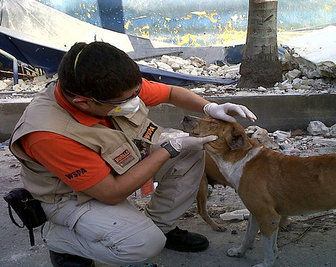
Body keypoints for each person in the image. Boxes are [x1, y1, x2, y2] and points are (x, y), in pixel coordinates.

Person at [9, 41, 257, 266]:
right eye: (125, 100)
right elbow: (111, 193)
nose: (134, 101)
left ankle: (160, 226)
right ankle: (61, 240)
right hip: (72, 197)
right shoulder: (49, 134)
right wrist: (171, 148)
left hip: (117, 166)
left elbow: (170, 93)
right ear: (84, 102)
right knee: (144, 245)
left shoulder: (108, 87)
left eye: (136, 93)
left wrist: (210, 107)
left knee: (191, 153)